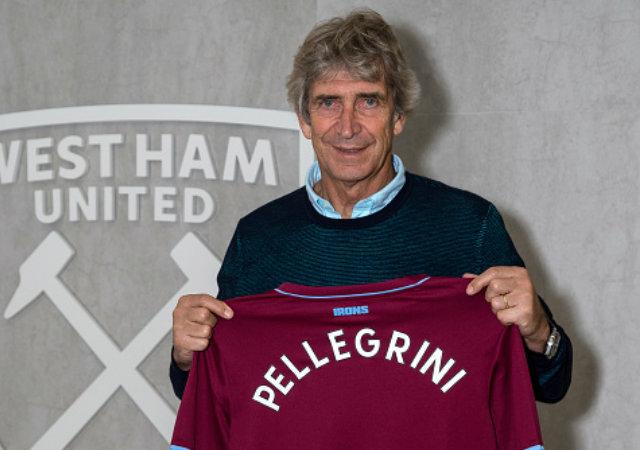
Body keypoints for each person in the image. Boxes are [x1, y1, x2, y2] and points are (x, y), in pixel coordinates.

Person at [170, 8, 571, 404]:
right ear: (304, 120)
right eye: (328, 102)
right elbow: (220, 398)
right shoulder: (258, 238)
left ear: (397, 116)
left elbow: (548, 386)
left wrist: (540, 332)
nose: (347, 127)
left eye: (368, 102)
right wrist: (187, 360)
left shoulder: (469, 225)